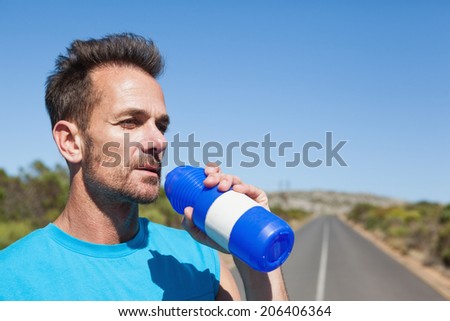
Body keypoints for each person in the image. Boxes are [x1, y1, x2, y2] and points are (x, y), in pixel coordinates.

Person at [0, 33, 288, 300]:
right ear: (71, 142)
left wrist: (254, 251)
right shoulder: (11, 280)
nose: (158, 141)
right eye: (130, 122)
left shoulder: (198, 258)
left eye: (161, 126)